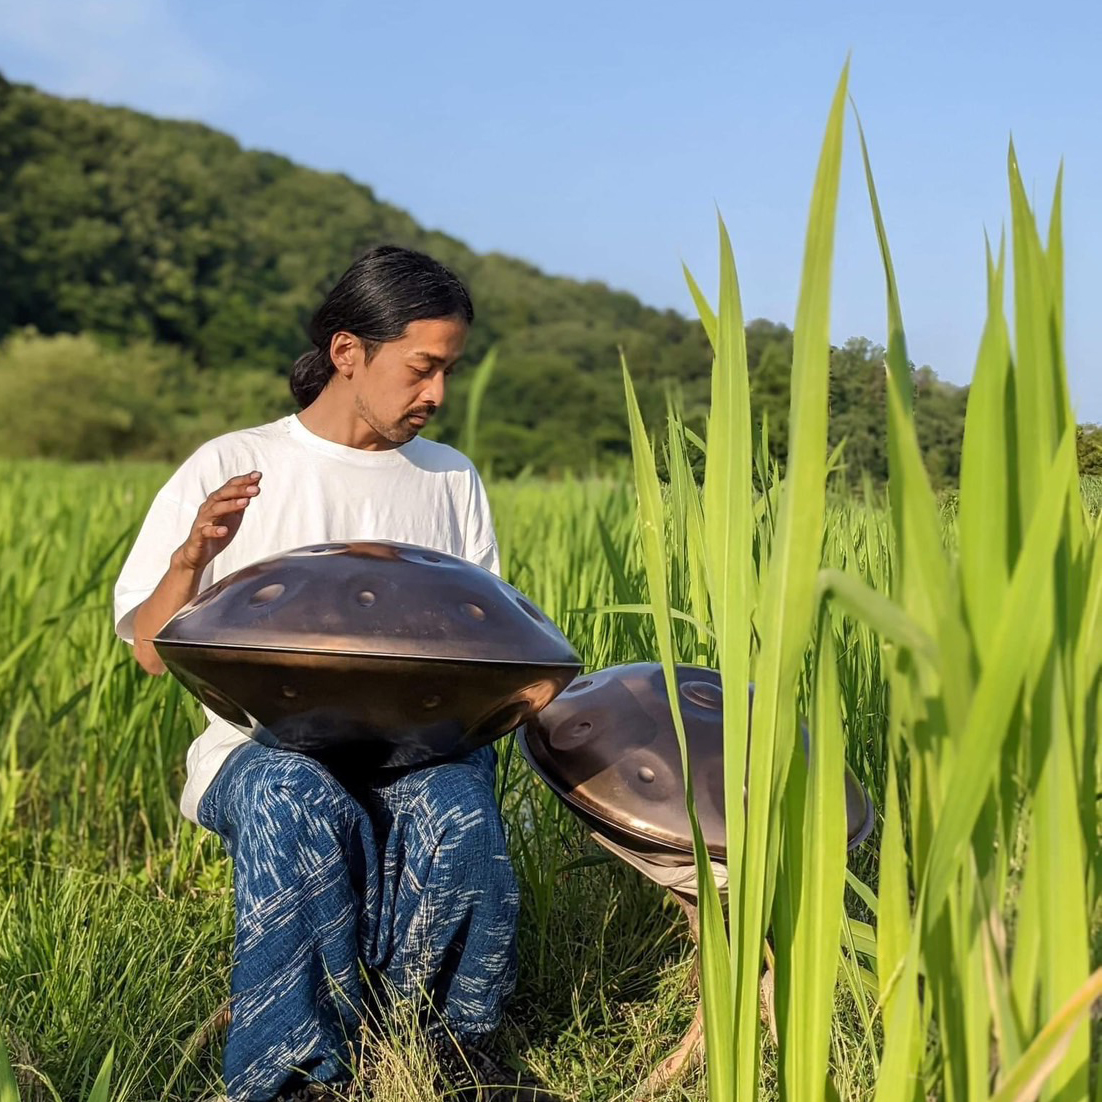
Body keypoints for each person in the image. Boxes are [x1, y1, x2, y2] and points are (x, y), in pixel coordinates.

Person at [113, 246, 524, 1102]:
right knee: (296, 797)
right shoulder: (235, 465)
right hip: (262, 750)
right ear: (348, 353)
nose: (438, 394)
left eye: (449, 371)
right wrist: (195, 557)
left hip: (417, 749)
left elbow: (482, 646)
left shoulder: (449, 479)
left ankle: (441, 1053)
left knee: (460, 810)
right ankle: (295, 1077)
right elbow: (152, 652)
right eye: (423, 368)